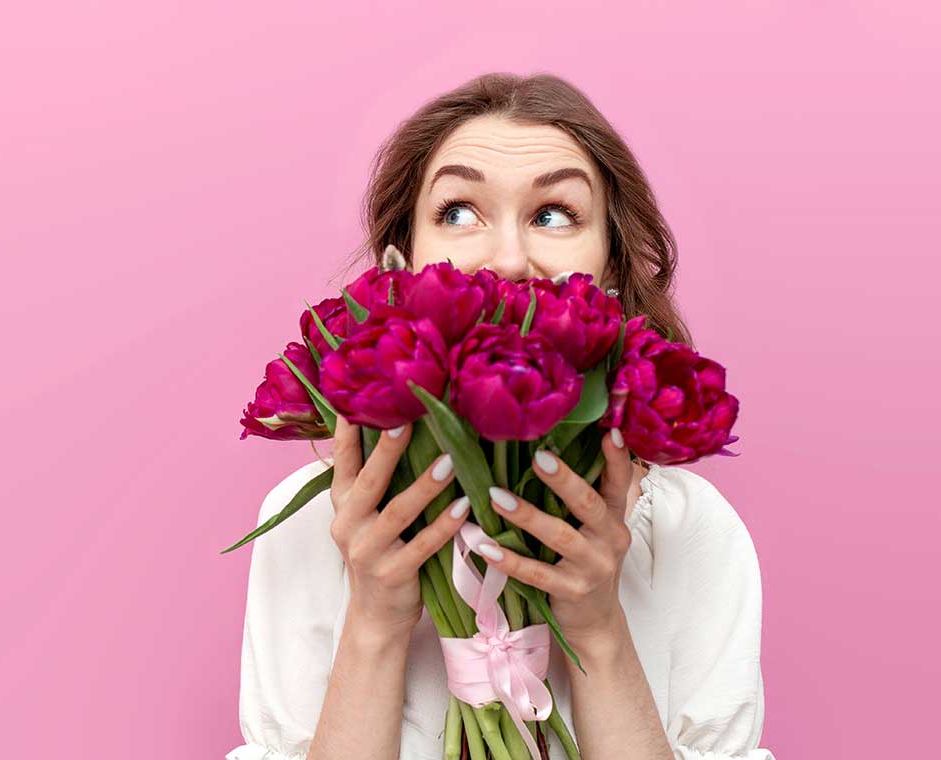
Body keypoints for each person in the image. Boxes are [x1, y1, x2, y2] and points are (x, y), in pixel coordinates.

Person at [226, 72, 775, 760]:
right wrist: (374, 620)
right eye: (458, 212)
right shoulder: (318, 527)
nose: (509, 261)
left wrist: (599, 629)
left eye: (554, 215)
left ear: (608, 263)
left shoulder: (686, 530)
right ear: (405, 261)